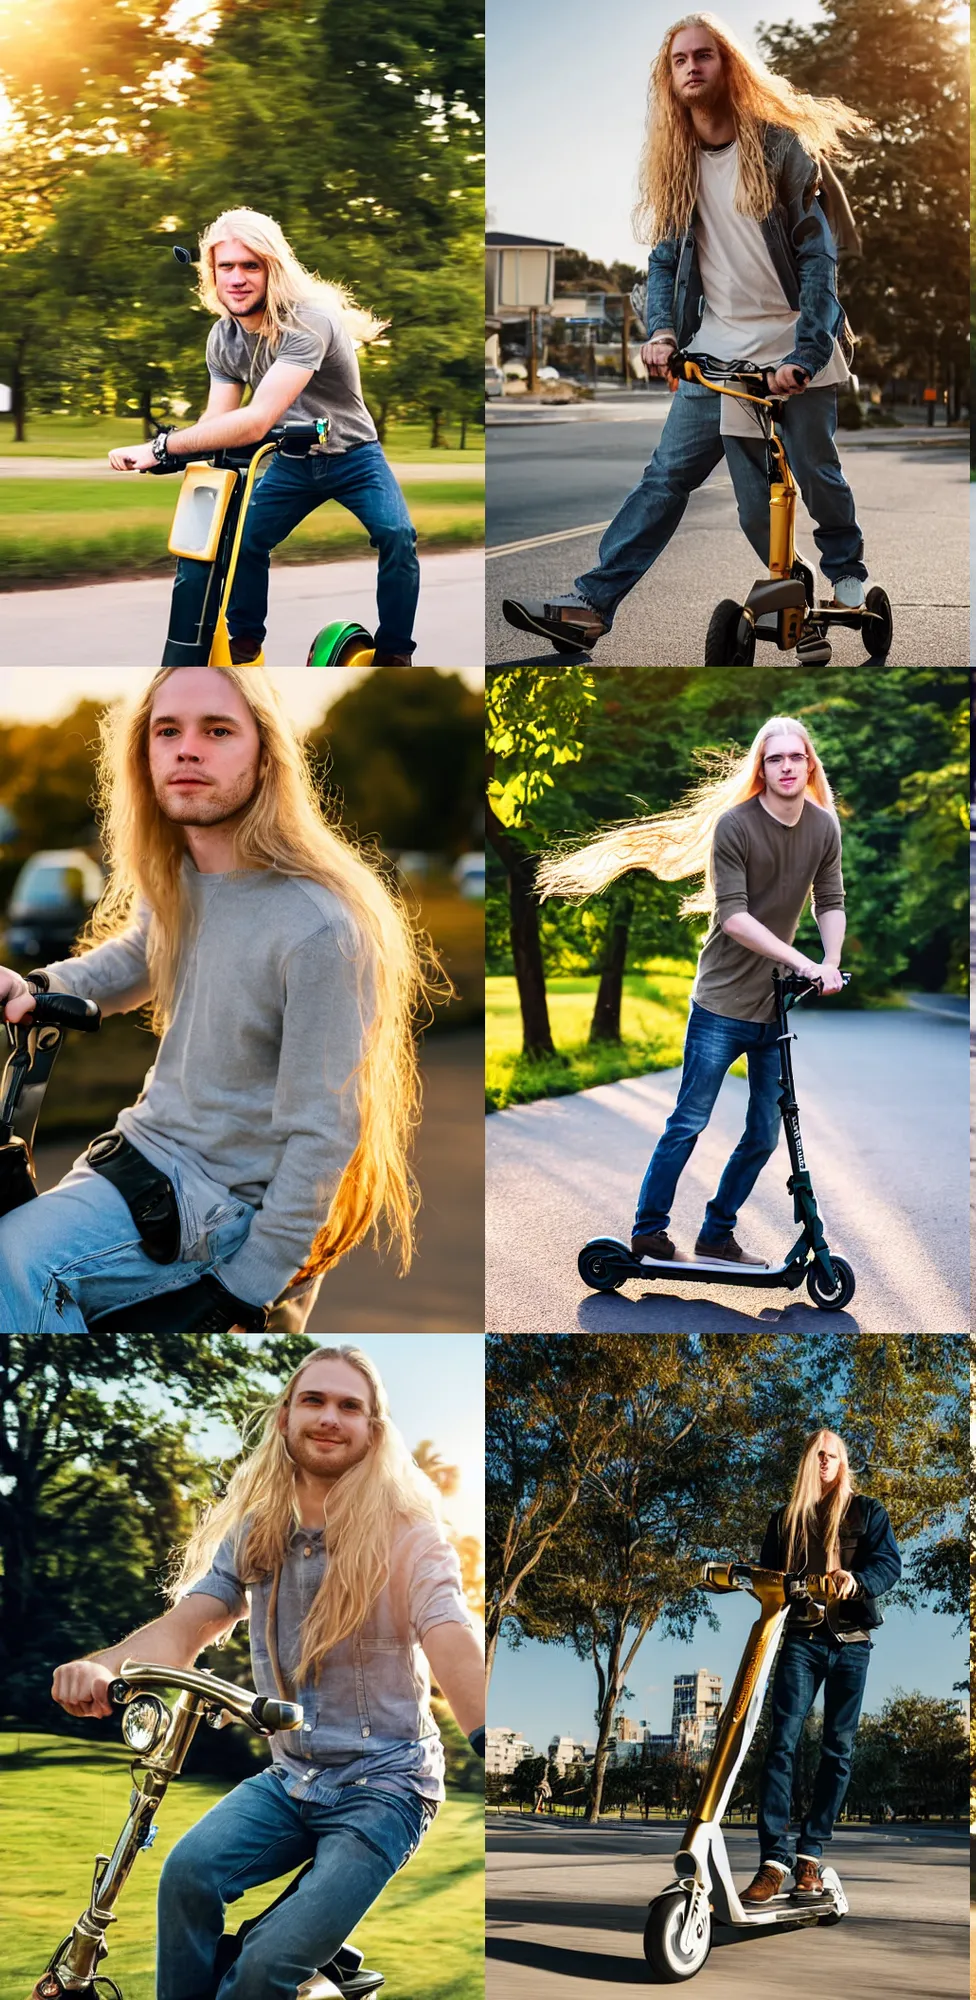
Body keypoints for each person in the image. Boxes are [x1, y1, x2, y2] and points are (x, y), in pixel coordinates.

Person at [0, 666, 444, 1332]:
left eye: (217, 730)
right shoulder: (185, 870)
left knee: (14, 1259)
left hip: (218, 1206)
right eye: (167, 731)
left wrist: (246, 1287)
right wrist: (40, 988)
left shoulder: (318, 926)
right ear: (144, 756)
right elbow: (143, 954)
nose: (187, 748)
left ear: (266, 759)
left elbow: (323, 1134)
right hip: (143, 1154)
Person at [49, 1345, 486, 2000]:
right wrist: (103, 1666)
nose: (329, 1417)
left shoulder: (408, 1534)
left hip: (386, 1785)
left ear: (372, 1431)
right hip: (291, 1778)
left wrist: (498, 1740)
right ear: (285, 1418)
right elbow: (191, 1622)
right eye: (313, 1400)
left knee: (260, 1971)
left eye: (349, 1406)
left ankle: (299, 1963)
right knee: (186, 1876)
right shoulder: (259, 1532)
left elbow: (449, 1632)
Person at [502, 11, 871, 654]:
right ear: (669, 78)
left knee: (815, 472)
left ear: (727, 65)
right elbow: (665, 261)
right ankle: (590, 606)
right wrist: (663, 333)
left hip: (793, 338)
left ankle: (846, 571)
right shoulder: (676, 164)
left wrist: (809, 354)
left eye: (704, 55)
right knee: (673, 479)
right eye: (680, 60)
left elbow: (818, 260)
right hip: (720, 350)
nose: (692, 66)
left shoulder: (780, 148)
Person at [535, 714, 844, 1265]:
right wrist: (802, 959)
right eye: (775, 759)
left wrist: (832, 962)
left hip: (773, 1007)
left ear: (809, 764)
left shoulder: (824, 827)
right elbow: (734, 918)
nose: (787, 766)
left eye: (796, 757)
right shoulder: (736, 826)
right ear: (762, 768)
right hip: (720, 1005)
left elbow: (830, 901)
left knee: (765, 1135)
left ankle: (716, 1233)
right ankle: (648, 1230)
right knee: (689, 1121)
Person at [107, 208, 418, 664]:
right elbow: (218, 423)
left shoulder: (308, 321)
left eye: (250, 265)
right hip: (291, 461)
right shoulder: (223, 337)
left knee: (396, 535)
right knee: (241, 541)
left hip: (353, 456)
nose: (236, 278)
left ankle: (395, 653)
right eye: (225, 266)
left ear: (273, 269)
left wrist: (159, 446)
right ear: (211, 274)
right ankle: (245, 644)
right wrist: (173, 455)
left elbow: (254, 422)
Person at [742, 1428, 901, 1904]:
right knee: (782, 1744)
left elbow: (890, 1564)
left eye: (830, 1456)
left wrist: (856, 1579)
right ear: (807, 1463)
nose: (824, 1462)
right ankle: (774, 1861)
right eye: (816, 1456)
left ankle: (810, 1855)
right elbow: (766, 1579)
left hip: (852, 1642)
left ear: (842, 1461)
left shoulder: (868, 1512)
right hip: (801, 1643)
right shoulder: (785, 1521)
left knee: (838, 1750)